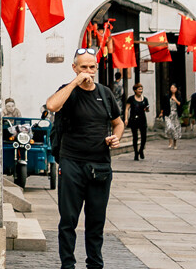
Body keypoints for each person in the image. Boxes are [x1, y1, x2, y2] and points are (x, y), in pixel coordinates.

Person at [45, 48, 124, 269]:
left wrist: (115, 138)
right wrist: (74, 83)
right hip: (72, 163)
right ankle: (68, 265)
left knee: (96, 221)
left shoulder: (105, 93)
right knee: (68, 220)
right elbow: (52, 105)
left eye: (91, 67)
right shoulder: (67, 92)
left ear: (97, 68)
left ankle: (95, 265)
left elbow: (118, 123)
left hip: (100, 166)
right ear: (75, 68)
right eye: (83, 67)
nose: (88, 71)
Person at [125, 83, 150, 160]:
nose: (140, 91)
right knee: (135, 137)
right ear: (135, 90)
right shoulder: (131, 99)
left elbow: (147, 110)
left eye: (141, 89)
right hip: (134, 119)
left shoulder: (145, 99)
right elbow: (127, 109)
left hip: (142, 119)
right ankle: (136, 153)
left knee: (144, 137)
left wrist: (147, 109)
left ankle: (141, 150)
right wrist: (126, 118)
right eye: (139, 89)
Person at [160, 84, 182, 150]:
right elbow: (163, 105)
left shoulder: (178, 96)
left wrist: (175, 99)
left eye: (174, 88)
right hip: (168, 114)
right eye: (171, 88)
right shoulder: (167, 96)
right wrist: (161, 112)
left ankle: (175, 144)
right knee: (169, 127)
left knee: (175, 129)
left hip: (175, 114)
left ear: (176, 89)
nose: (172, 89)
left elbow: (180, 104)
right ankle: (170, 141)